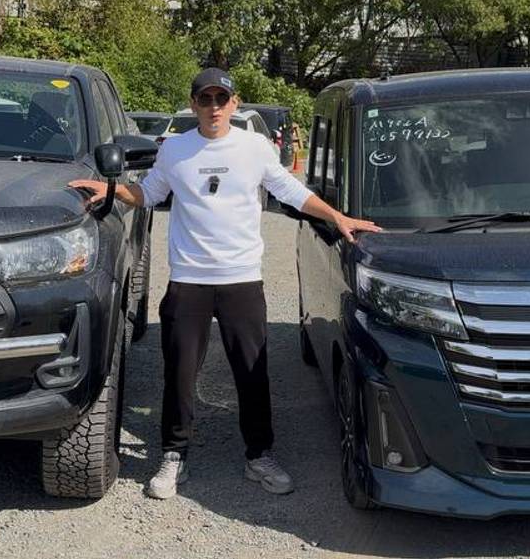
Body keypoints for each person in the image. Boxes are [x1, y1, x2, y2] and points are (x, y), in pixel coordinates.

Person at [69, 68, 381, 500]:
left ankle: (259, 456)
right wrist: (112, 191)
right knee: (179, 374)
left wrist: (338, 217)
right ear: (193, 103)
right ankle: (174, 455)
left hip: (241, 279)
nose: (214, 107)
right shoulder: (175, 149)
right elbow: (149, 194)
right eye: (205, 98)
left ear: (235, 104)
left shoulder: (254, 147)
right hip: (189, 281)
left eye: (221, 99)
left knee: (252, 373)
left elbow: (291, 192)